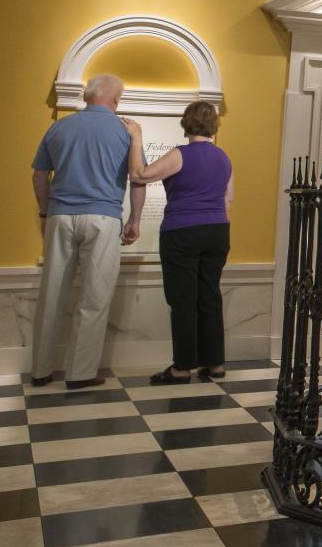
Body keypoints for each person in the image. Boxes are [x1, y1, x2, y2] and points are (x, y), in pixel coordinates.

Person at [29, 73, 144, 389]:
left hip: (60, 215)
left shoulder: (59, 127)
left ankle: (40, 371)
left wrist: (44, 211)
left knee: (52, 293)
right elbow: (138, 179)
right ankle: (80, 373)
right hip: (103, 217)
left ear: (87, 96)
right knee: (94, 297)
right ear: (116, 100)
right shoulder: (125, 131)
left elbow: (39, 176)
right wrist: (134, 219)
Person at [125, 101, 232, 385]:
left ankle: (182, 368)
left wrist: (136, 139)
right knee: (209, 296)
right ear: (214, 125)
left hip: (183, 231)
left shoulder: (180, 155)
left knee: (183, 299)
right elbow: (227, 199)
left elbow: (139, 175)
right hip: (218, 230)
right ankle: (215, 363)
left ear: (186, 123)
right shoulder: (223, 157)